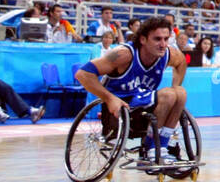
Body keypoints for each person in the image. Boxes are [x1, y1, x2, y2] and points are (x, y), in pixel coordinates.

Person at [76, 15, 188, 163]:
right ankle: (150, 147)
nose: (163, 44)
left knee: (179, 92)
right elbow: (83, 74)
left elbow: (181, 63)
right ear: (143, 39)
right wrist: (109, 98)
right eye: (157, 39)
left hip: (144, 102)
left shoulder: (168, 53)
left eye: (166, 39)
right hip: (120, 104)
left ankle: (161, 145)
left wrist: (176, 86)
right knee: (169, 95)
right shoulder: (124, 54)